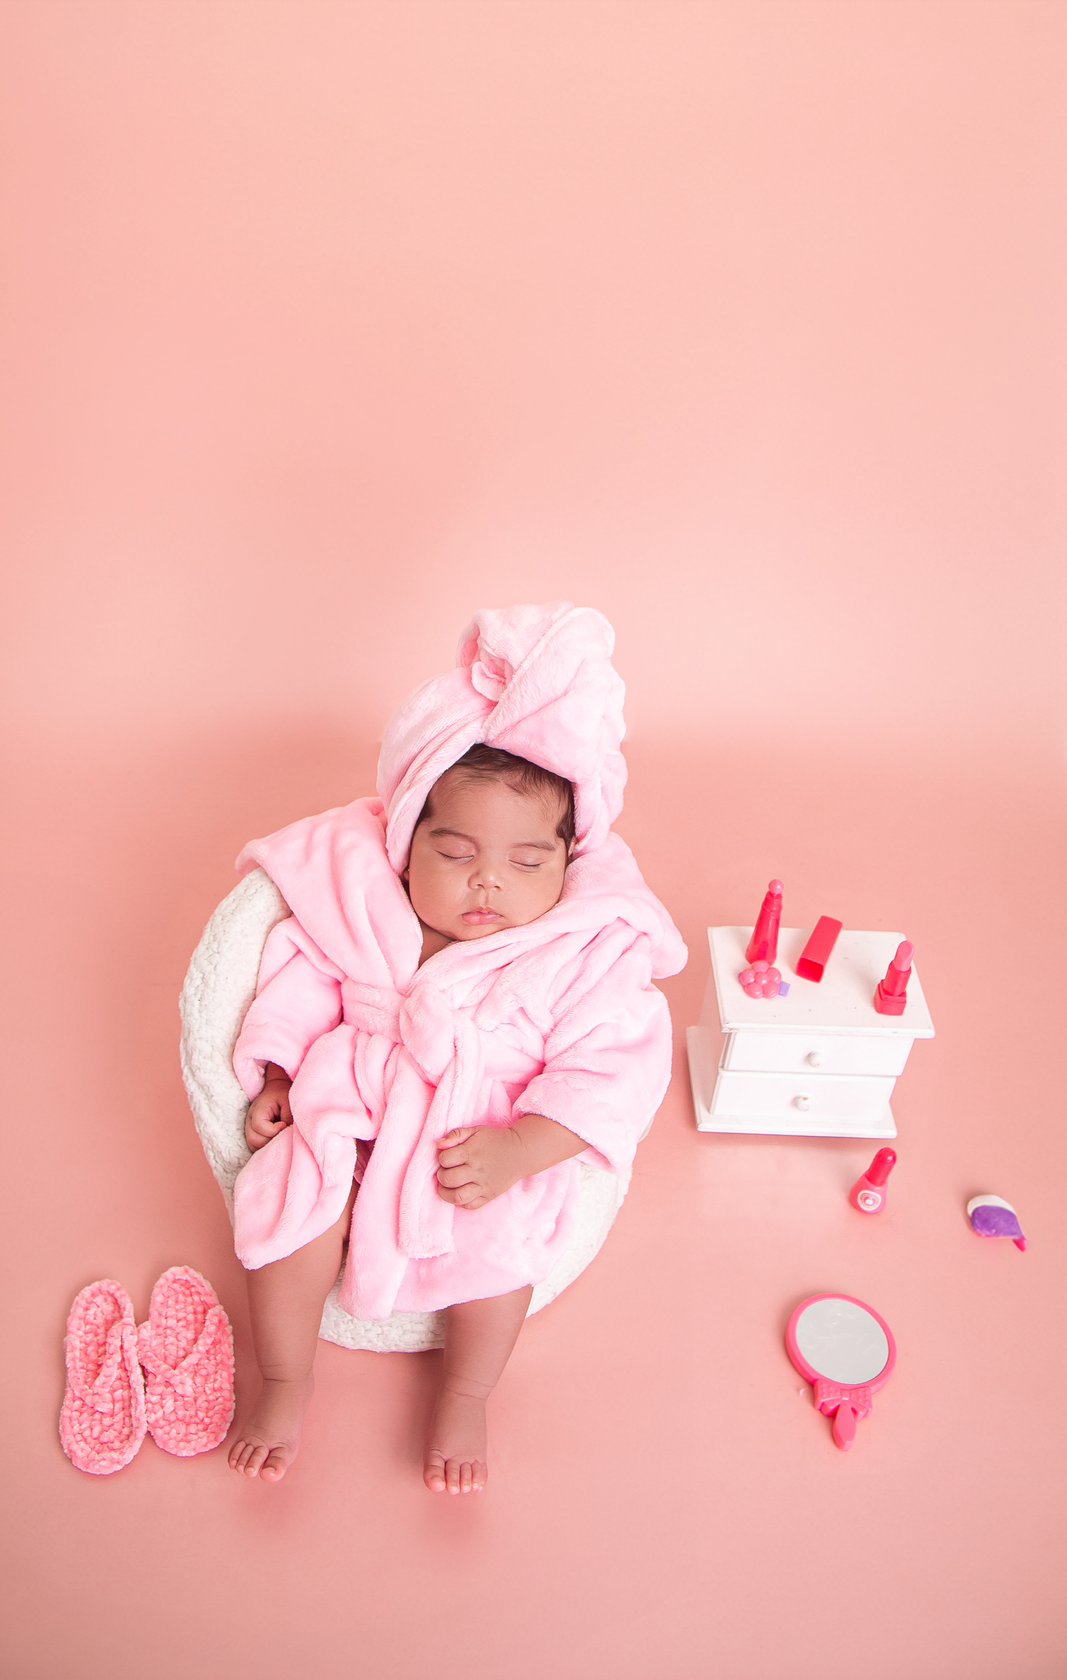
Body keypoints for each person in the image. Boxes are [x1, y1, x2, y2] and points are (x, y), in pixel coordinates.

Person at [224, 603, 686, 1493]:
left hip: (478, 1134)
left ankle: (467, 1395)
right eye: (456, 852)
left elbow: (613, 1065)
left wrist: (524, 1147)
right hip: (354, 1100)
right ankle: (285, 1380)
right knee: (288, 1202)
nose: (488, 882)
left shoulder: (581, 948)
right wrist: (278, 1070)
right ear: (405, 848)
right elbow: (298, 970)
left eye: (526, 863)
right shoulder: (366, 911)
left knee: (502, 1252)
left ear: (567, 866)